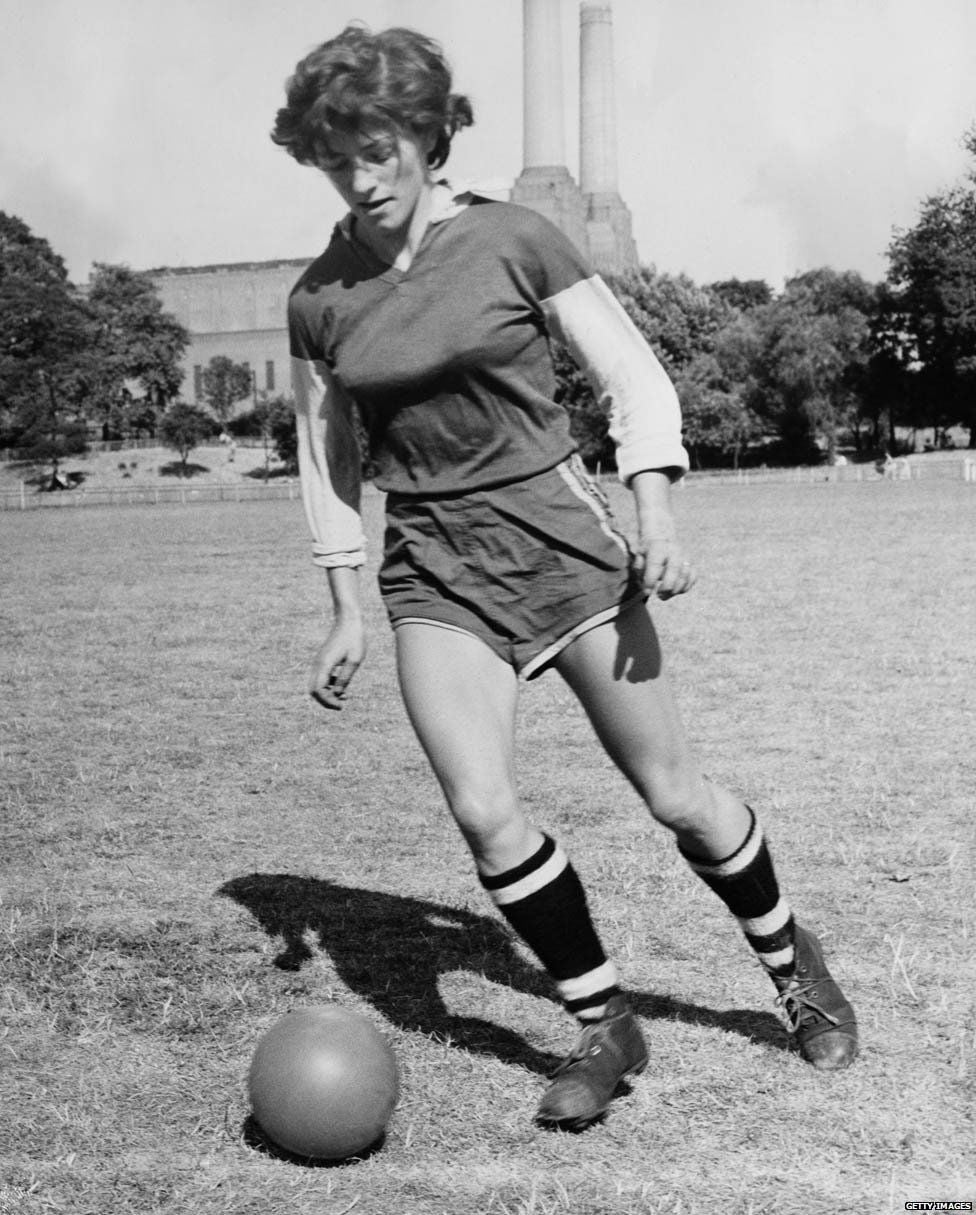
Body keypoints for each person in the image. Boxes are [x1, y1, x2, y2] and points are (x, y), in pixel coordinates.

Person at [271, 23, 858, 1130]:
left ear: (429, 134)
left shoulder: (514, 238)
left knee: (674, 794)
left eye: (380, 147)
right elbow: (327, 456)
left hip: (559, 534)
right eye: (336, 155)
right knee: (484, 812)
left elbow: (629, 374)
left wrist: (654, 505)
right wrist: (346, 602)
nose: (361, 176)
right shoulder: (319, 298)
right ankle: (603, 1024)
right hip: (433, 563)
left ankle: (791, 968)